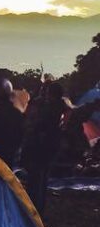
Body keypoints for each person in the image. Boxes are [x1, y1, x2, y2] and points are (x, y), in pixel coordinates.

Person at [22, 81, 73, 217]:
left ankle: (34, 206)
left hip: (42, 144)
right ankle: (39, 206)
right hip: (51, 145)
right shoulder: (62, 106)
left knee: (36, 177)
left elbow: (41, 124)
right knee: (43, 176)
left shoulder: (51, 108)